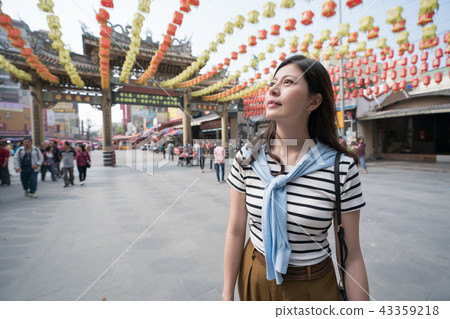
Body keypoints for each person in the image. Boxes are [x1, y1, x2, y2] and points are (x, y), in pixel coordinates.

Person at [223, 55, 369, 301]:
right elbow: (236, 230)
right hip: (255, 276)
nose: (273, 89)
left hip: (313, 286)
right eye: (272, 83)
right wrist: (227, 295)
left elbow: (351, 255)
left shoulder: (340, 167)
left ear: (314, 101)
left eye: (288, 82)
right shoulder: (247, 157)